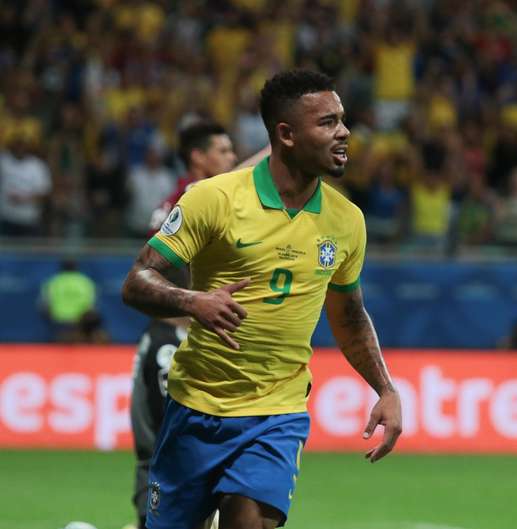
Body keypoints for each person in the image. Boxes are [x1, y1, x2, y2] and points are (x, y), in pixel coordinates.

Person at [122, 70, 402, 529]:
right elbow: (137, 281)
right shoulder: (212, 199)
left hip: (276, 415)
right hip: (196, 407)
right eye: (327, 122)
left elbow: (349, 316)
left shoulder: (347, 220)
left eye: (342, 120)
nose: (344, 131)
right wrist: (193, 301)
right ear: (286, 135)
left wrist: (386, 388)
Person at [130, 121, 267, 529]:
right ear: (198, 158)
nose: (231, 158)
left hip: (184, 336)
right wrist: (280, 151)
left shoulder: (200, 200)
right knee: (170, 468)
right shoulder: (192, 196)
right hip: (172, 340)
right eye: (223, 151)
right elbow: (244, 175)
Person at [39, 259, 99, 342]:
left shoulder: (53, 282)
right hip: (80, 320)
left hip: (57, 318)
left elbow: (45, 303)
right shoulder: (85, 282)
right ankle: (84, 338)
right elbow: (91, 305)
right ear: (77, 268)